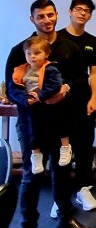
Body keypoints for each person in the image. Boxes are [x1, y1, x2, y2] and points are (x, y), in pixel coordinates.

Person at [5, 0, 93, 228]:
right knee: (32, 177)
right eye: (40, 16)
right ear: (32, 19)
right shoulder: (19, 50)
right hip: (32, 123)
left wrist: (65, 90)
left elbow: (81, 81)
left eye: (50, 15)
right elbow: (12, 88)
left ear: (57, 15)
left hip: (62, 121)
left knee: (62, 170)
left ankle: (65, 218)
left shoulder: (71, 48)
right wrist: (33, 100)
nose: (46, 20)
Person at [57, 0, 96, 211]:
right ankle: (60, 196)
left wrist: (94, 97)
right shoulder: (57, 38)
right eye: (78, 9)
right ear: (69, 11)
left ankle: (83, 189)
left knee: (84, 146)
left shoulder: (92, 41)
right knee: (62, 148)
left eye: (87, 11)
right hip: (60, 99)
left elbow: (94, 72)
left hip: (84, 99)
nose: (82, 13)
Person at [8, 37, 72, 175]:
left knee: (60, 120)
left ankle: (65, 146)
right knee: (32, 130)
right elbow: (13, 89)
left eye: (37, 53)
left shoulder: (50, 68)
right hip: (32, 106)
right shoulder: (21, 70)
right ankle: (35, 154)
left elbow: (55, 85)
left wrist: (41, 95)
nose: (32, 57)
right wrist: (25, 100)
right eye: (29, 53)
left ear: (46, 54)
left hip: (49, 103)